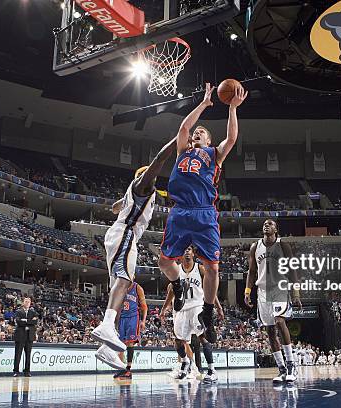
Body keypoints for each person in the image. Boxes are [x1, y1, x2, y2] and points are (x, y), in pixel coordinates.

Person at [158, 83, 247, 344]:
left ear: (208, 141)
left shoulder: (214, 154)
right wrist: (204, 104)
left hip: (204, 213)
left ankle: (207, 314)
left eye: (202, 133)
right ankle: (177, 285)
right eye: (196, 133)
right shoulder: (182, 151)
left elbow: (231, 139)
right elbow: (183, 128)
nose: (197, 133)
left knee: (212, 267)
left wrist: (232, 108)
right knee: (164, 263)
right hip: (180, 211)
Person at [92, 136, 177, 369]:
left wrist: (122, 202)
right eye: (150, 175)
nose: (153, 179)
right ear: (142, 177)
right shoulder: (142, 186)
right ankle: (107, 325)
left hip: (119, 234)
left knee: (118, 290)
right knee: (125, 279)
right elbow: (159, 159)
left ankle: (106, 348)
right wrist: (180, 137)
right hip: (125, 234)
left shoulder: (139, 193)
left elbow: (114, 207)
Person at [245, 219, 301, 383]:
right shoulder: (255, 247)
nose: (266, 225)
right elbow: (251, 271)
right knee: (269, 330)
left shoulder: (283, 245)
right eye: (264, 224)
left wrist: (296, 293)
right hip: (262, 290)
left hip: (280, 288)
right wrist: (247, 291)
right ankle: (282, 369)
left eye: (270, 224)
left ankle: (291, 364)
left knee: (279, 321)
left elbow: (292, 270)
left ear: (276, 229)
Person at [160, 246, 224, 383]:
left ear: (193, 253)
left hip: (197, 307)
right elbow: (172, 290)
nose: (186, 251)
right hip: (181, 310)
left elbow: (210, 288)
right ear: (180, 254)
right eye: (184, 249)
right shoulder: (176, 270)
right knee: (178, 341)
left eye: (189, 249)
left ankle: (212, 370)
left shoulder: (199, 269)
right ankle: (185, 363)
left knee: (202, 338)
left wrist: (218, 306)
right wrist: (164, 308)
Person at [113, 281, 148, 379]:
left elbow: (144, 307)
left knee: (130, 343)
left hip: (133, 317)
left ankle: (128, 369)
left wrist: (143, 321)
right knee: (120, 344)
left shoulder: (137, 288)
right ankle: (121, 369)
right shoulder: (120, 286)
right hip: (122, 318)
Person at [13, 297, 38, 377]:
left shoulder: (33, 312)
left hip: (29, 336)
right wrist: (30, 322)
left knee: (28, 355)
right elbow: (18, 322)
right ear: (23, 302)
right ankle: (16, 371)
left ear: (30, 303)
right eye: (26, 301)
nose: (27, 303)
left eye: (29, 302)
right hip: (20, 336)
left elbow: (35, 321)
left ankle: (27, 371)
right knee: (18, 354)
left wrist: (25, 321)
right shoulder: (18, 311)